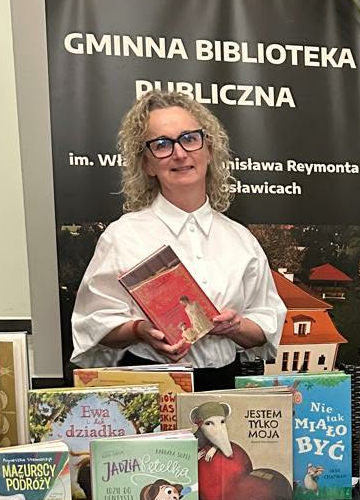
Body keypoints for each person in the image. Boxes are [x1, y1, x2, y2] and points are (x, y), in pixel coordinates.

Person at [70, 91, 285, 391]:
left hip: (225, 384)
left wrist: (236, 327)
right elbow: (93, 324)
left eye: (189, 139)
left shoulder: (241, 240)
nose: (180, 154)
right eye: (162, 145)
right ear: (147, 164)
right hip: (150, 385)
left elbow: (265, 326)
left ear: (209, 150)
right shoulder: (122, 236)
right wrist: (139, 330)